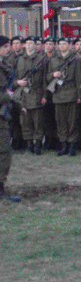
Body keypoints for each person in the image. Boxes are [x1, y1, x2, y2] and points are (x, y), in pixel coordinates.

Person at [0, 35, 21, 202]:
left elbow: (7, 90)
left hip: (3, 114)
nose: (9, 49)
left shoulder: (4, 66)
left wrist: (19, 107)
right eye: (6, 46)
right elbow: (5, 94)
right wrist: (6, 97)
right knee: (4, 152)